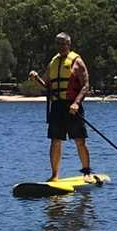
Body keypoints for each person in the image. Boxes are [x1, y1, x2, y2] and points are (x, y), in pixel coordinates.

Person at [29, 32, 93, 182]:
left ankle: (87, 172)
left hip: (72, 106)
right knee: (55, 141)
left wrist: (77, 103)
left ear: (69, 44)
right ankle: (55, 175)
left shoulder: (77, 61)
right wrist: (36, 78)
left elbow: (86, 85)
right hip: (57, 106)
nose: (60, 46)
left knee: (79, 140)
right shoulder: (53, 63)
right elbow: (45, 86)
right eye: (58, 43)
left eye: (63, 43)